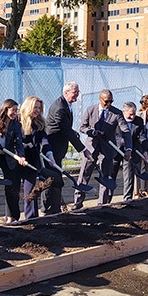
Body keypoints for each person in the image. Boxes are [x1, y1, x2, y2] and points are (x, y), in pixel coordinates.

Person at [75, 89, 132, 207]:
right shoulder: (91, 110)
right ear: (100, 99)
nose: (108, 104)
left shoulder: (117, 113)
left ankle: (102, 204)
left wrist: (128, 149)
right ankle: (78, 203)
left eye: (111, 101)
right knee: (84, 175)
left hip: (107, 149)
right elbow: (82, 127)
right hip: (91, 148)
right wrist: (91, 132)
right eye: (106, 101)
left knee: (105, 177)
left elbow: (126, 131)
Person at [45, 82, 92, 214]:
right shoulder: (60, 107)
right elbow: (64, 129)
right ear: (66, 92)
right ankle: (49, 208)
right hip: (52, 149)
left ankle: (55, 207)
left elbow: (66, 127)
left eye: (77, 91)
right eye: (75, 92)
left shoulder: (67, 105)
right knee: (52, 177)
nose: (77, 94)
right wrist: (83, 149)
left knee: (56, 177)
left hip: (59, 148)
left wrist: (73, 132)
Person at [0, 99, 27, 227]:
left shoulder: (16, 124)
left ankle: (10, 218)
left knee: (11, 187)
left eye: (16, 110)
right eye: (13, 110)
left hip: (8, 157)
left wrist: (21, 156)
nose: (15, 113)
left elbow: (18, 143)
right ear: (6, 109)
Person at [19, 96, 54, 220]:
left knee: (31, 191)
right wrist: (20, 155)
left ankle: (32, 218)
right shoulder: (18, 122)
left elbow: (44, 141)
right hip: (18, 159)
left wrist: (50, 155)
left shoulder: (39, 123)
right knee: (13, 190)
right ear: (28, 107)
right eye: (35, 107)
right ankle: (12, 217)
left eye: (39, 108)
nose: (38, 110)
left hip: (32, 162)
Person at [111, 102, 146, 201]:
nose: (133, 116)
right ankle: (107, 199)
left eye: (134, 113)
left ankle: (127, 199)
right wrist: (121, 141)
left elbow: (142, 136)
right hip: (116, 150)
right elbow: (112, 134)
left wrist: (145, 151)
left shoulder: (138, 121)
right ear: (123, 112)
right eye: (130, 114)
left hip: (131, 151)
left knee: (129, 177)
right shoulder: (116, 119)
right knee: (111, 175)